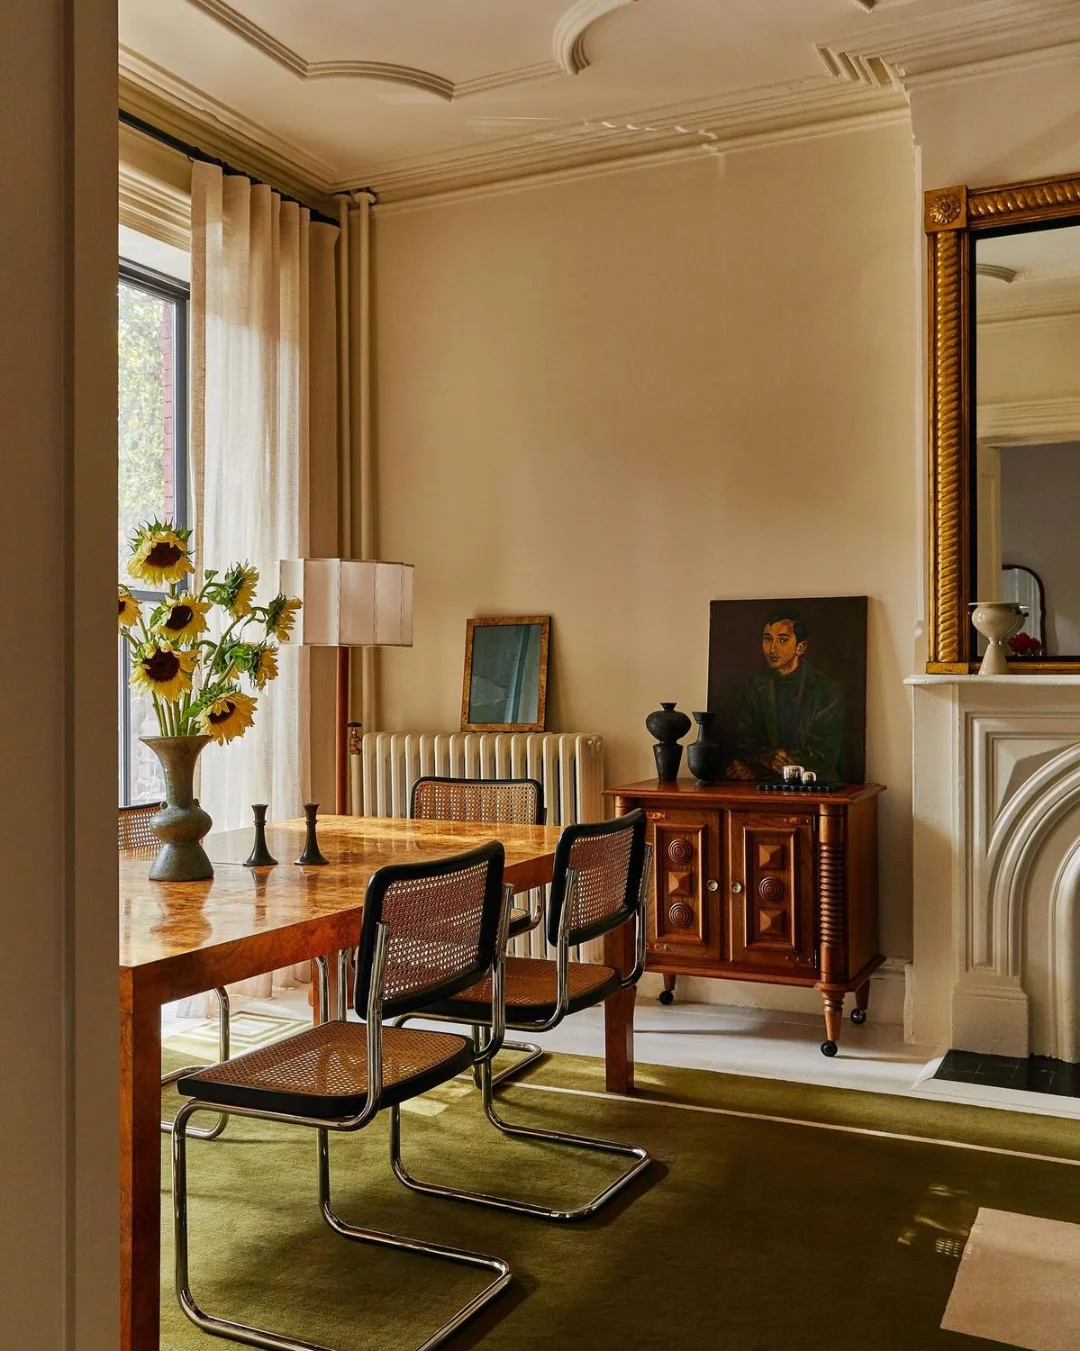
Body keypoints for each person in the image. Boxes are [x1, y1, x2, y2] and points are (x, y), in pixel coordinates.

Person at [725, 609, 846, 782]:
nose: (772, 648)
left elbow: (824, 755)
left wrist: (769, 764)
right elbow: (743, 743)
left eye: (782, 640)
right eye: (767, 639)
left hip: (813, 787)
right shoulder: (755, 685)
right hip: (763, 787)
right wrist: (764, 758)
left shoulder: (826, 689)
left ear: (800, 647)